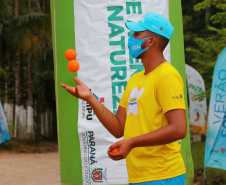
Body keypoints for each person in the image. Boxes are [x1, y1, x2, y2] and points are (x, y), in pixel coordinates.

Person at [61, 12, 187, 185]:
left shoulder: (167, 76)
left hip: (163, 175)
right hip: (139, 176)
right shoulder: (135, 79)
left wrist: (132, 142)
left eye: (136, 34)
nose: (131, 38)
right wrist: (90, 98)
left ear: (150, 41)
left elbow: (179, 129)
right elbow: (119, 128)